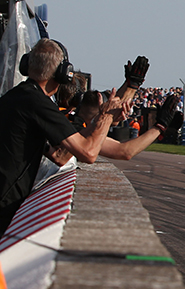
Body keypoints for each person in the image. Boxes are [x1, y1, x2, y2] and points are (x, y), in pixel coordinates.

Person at [0, 39, 131, 236]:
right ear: (62, 73)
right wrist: (107, 117)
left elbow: (60, 155)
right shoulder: (38, 103)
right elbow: (89, 153)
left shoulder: (15, 97)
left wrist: (100, 121)